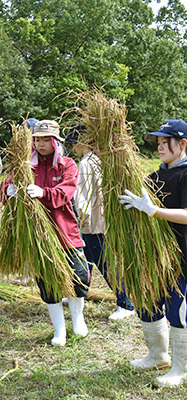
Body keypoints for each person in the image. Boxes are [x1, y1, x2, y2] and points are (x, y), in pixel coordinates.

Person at [2, 120, 91, 346]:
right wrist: (9, 191)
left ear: (55, 141)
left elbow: (65, 192)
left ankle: (78, 319)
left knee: (79, 276)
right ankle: (59, 330)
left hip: (65, 231)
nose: (41, 144)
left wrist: (43, 192)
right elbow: (5, 191)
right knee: (48, 282)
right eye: (37, 139)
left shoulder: (67, 165)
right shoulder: (24, 166)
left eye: (45, 139)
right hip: (38, 236)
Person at [118, 119, 187, 387]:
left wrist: (155, 212)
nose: (159, 147)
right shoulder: (155, 176)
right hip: (154, 257)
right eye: (157, 142)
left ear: (182, 143)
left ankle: (181, 369)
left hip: (182, 256)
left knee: (177, 310)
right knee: (147, 302)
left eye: (165, 142)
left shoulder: (185, 174)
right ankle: (158, 355)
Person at [66, 124, 135, 320]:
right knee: (86, 260)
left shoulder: (87, 163)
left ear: (82, 142)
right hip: (98, 218)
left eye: (74, 143)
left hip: (93, 221)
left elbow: (84, 195)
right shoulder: (97, 160)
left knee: (105, 263)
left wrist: (81, 217)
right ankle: (79, 292)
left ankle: (126, 304)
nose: (73, 147)